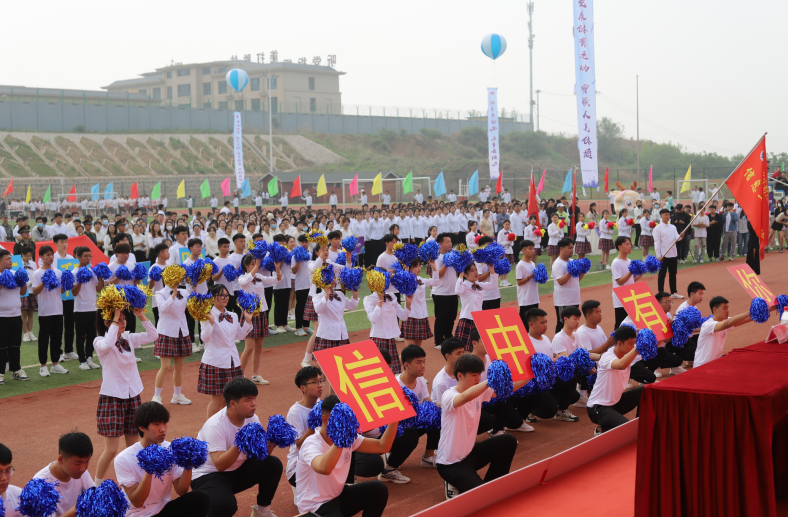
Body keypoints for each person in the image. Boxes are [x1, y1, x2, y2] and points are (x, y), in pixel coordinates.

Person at [436, 354, 525, 499]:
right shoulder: (449, 395)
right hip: (451, 464)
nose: (478, 378)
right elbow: (464, 397)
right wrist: (490, 381)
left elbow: (508, 389)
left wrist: (531, 375)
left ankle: (492, 484)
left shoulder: (478, 391)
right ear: (460, 375)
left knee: (508, 441)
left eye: (479, 374)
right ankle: (452, 482)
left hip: (470, 454)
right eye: (474, 375)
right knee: (483, 498)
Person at [191, 378, 283, 517]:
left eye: (255, 398)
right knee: (225, 505)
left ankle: (262, 512)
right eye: (248, 400)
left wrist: (272, 439)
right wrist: (240, 442)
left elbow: (261, 455)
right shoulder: (215, 425)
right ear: (233, 403)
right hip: (208, 476)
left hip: (236, 470)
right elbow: (220, 465)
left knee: (273, 464)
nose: (254, 403)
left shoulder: (252, 418)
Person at [295, 394, 394, 517]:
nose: (346, 422)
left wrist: (395, 418)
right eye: (341, 419)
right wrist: (341, 436)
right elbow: (324, 468)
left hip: (337, 496)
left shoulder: (348, 437)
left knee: (378, 489)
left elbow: (382, 446)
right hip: (315, 506)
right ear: (325, 419)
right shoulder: (311, 443)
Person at [93, 305, 157, 483]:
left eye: (124, 319)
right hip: (112, 397)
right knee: (112, 450)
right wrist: (115, 317)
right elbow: (108, 343)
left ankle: (134, 483)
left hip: (133, 395)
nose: (123, 322)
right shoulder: (99, 342)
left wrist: (140, 314)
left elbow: (153, 336)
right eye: (118, 319)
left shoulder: (128, 337)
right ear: (107, 322)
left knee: (134, 447)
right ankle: (95, 486)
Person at [114, 402, 209, 517]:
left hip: (163, 509)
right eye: (157, 424)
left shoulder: (170, 449)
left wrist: (188, 463)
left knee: (200, 497)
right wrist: (150, 470)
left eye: (165, 423)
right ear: (142, 427)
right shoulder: (123, 459)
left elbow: (181, 491)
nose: (163, 429)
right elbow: (137, 502)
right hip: (139, 514)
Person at [199, 284, 253, 418]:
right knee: (218, 400)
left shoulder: (233, 315)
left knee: (230, 399)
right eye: (222, 295)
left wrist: (247, 321)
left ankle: (224, 425)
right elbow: (205, 338)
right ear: (213, 297)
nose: (225, 298)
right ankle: (210, 427)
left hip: (233, 361)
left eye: (227, 295)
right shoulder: (207, 314)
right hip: (215, 362)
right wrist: (211, 322)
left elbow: (240, 336)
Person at [586, 325, 642, 435]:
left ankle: (641, 424)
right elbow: (621, 365)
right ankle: (602, 430)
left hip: (615, 402)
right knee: (628, 429)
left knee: (645, 391)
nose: (633, 346)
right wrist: (637, 348)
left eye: (634, 343)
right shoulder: (608, 357)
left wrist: (648, 338)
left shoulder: (627, 352)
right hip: (598, 407)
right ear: (619, 343)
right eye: (630, 343)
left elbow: (651, 349)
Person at [393, 345, 441, 469]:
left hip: (414, 420)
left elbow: (428, 401)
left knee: (436, 413)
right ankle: (391, 454)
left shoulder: (420, 380)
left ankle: (428, 458)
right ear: (406, 365)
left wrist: (448, 404)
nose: (423, 365)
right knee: (410, 434)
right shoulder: (395, 385)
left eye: (424, 362)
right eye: (419, 362)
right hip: (398, 426)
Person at [695, 296, 775, 368]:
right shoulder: (708, 325)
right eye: (724, 308)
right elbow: (727, 324)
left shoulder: (724, 321)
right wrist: (752, 311)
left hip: (713, 365)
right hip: (701, 366)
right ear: (715, 309)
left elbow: (749, 318)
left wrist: (771, 308)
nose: (727, 311)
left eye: (727, 308)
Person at [238, 255, 282, 385]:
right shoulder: (242, 278)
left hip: (261, 313)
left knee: (258, 348)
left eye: (255, 263)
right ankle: (239, 375)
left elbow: (276, 280)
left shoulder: (259, 276)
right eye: (252, 263)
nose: (255, 265)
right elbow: (245, 282)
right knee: (249, 348)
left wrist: (277, 269)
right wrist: (257, 266)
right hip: (249, 315)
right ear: (246, 265)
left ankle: (255, 375)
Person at [152, 273, 193, 405]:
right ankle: (156, 397)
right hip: (166, 332)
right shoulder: (160, 293)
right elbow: (162, 308)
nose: (178, 279)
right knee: (165, 367)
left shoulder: (184, 292)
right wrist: (173, 294)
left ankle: (177, 395)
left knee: (179, 367)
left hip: (182, 331)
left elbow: (193, 303)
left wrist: (195, 289)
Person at [33, 432, 95, 516]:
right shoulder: (40, 484)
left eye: (87, 461)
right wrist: (80, 507)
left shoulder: (80, 472)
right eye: (78, 463)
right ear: (61, 460)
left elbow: (95, 499)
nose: (83, 468)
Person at [285, 366, 324, 499]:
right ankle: (298, 486)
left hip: (319, 456)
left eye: (321, 381)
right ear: (303, 388)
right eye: (314, 382)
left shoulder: (320, 404)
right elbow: (299, 445)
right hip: (298, 465)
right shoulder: (295, 412)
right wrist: (313, 424)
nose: (320, 385)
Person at [32, 245, 68, 376]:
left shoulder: (58, 272)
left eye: (52, 254)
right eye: (47, 255)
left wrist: (67, 282)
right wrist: (44, 281)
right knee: (44, 340)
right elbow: (35, 291)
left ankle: (55, 364)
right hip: (45, 311)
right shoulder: (37, 273)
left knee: (57, 339)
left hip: (58, 310)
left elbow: (62, 291)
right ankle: (43, 366)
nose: (51, 257)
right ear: (41, 257)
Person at [71, 247, 102, 371]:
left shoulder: (92, 271)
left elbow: (98, 289)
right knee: (81, 336)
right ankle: (82, 361)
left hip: (93, 308)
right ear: (78, 257)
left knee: (92, 335)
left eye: (90, 256)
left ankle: (89, 358)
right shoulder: (74, 272)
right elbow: (74, 292)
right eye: (85, 256)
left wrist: (101, 277)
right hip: (80, 309)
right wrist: (80, 280)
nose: (88, 258)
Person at [454, 262, 498, 351]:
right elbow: (458, 291)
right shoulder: (463, 285)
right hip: (467, 319)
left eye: (476, 270)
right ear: (465, 274)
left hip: (478, 319)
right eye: (472, 271)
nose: (476, 272)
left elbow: (493, 285)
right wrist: (460, 276)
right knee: (465, 349)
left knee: (478, 348)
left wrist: (492, 270)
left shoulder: (478, 285)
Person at [0, 249, 27, 384]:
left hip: (16, 315)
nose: (10, 261)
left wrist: (23, 280)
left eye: (10, 258)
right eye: (7, 259)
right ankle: (0, 373)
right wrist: (3, 279)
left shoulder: (15, 273)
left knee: (15, 345)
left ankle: (16, 370)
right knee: (2, 347)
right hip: (1, 317)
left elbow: (22, 292)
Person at [400, 258, 437, 349]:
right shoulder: (405, 281)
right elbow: (404, 280)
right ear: (410, 267)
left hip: (422, 317)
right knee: (409, 351)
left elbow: (435, 281)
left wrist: (434, 267)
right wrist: (406, 269)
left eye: (420, 265)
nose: (419, 268)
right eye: (416, 266)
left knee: (417, 349)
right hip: (411, 317)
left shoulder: (421, 280)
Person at [431, 233, 459, 346]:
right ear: (440, 244)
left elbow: (456, 273)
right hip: (441, 293)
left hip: (453, 292)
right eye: (447, 242)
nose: (450, 244)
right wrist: (446, 264)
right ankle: (438, 341)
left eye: (450, 241)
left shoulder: (453, 255)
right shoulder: (437, 258)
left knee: (451, 317)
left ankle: (448, 337)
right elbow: (438, 275)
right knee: (441, 318)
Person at [552, 238, 584, 334]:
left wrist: (583, 271)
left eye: (572, 248)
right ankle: (557, 343)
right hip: (563, 301)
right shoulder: (557, 264)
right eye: (569, 248)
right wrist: (571, 271)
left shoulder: (572, 261)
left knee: (572, 323)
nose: (572, 250)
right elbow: (560, 281)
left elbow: (577, 279)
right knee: (562, 324)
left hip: (574, 298)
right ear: (561, 249)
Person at [611, 236, 643, 328]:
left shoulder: (629, 261)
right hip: (620, 299)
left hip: (631, 297)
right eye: (627, 244)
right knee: (620, 324)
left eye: (630, 244)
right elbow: (620, 281)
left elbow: (632, 279)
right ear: (619, 247)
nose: (630, 246)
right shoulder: (616, 263)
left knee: (631, 323)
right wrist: (631, 272)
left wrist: (643, 271)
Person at [653, 209, 684, 299]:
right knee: (662, 274)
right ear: (661, 216)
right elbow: (657, 242)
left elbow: (677, 238)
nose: (667, 216)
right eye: (665, 214)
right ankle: (660, 292)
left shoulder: (673, 227)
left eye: (668, 214)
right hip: (663, 255)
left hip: (673, 253)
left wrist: (680, 236)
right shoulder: (657, 228)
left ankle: (673, 292)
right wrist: (658, 255)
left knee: (673, 273)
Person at [496, 220, 514, 286]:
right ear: (503, 224)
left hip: (509, 251)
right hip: (503, 251)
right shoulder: (501, 232)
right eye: (506, 224)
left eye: (508, 224)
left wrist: (511, 242)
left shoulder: (510, 232)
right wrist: (507, 243)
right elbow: (499, 242)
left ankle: (505, 280)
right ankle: (502, 281)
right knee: (503, 266)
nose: (507, 226)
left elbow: (512, 243)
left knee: (507, 266)